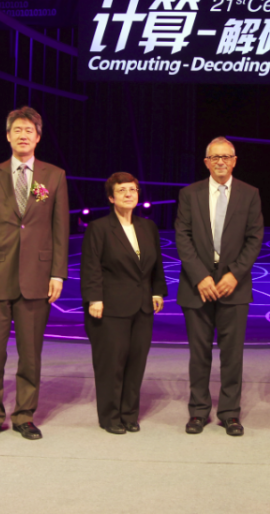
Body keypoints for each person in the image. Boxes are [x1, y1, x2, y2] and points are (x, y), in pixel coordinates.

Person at [0, 106, 69, 443]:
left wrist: (58, 273)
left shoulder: (54, 175)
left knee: (30, 353)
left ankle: (25, 415)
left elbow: (60, 228)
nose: (23, 135)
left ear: (38, 137)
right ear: (8, 135)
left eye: (30, 130)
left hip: (37, 277)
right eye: (18, 130)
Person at [175, 137, 263, 436]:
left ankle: (230, 413)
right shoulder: (190, 194)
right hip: (196, 286)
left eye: (226, 157)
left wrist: (234, 274)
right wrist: (201, 276)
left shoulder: (250, 194)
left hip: (233, 288)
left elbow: (254, 239)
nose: (221, 162)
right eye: (215, 157)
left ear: (235, 160)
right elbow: (183, 237)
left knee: (232, 355)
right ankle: (198, 412)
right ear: (206, 162)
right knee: (199, 354)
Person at [80, 173, 166, 434]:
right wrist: (94, 298)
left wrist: (157, 292)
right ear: (111, 197)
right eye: (122, 191)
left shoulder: (147, 226)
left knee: (136, 362)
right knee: (111, 364)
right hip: (110, 307)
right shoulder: (99, 228)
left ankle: (129, 414)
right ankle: (110, 417)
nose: (129, 194)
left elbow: (156, 264)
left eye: (133, 189)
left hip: (142, 306)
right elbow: (91, 266)